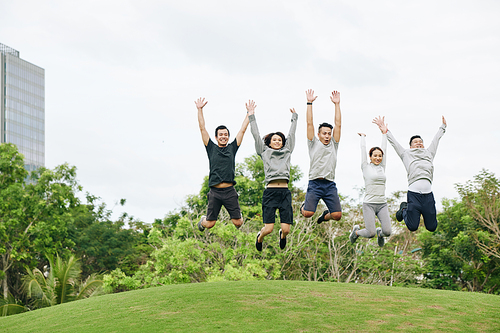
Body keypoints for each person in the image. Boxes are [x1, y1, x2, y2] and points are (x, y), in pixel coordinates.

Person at [374, 116, 447, 232]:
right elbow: (394, 143)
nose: (419, 143)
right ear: (411, 146)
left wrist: (443, 127)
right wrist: (385, 131)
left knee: (432, 227)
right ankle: (404, 209)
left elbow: (436, 140)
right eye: (415, 142)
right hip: (414, 195)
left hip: (428, 196)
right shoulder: (406, 154)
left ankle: (419, 212)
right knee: (412, 227)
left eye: (420, 142)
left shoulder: (429, 153)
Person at [247, 102, 298, 251]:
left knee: (287, 229)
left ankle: (283, 235)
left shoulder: (287, 150)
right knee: (268, 229)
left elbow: (292, 134)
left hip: (284, 193)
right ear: (269, 142)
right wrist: (251, 115)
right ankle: (260, 237)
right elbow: (255, 134)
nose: (277, 141)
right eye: (274, 140)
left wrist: (294, 117)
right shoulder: (264, 151)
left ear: (283, 143)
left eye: (279, 140)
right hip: (270, 192)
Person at [195, 97, 250, 231]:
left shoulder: (232, 147)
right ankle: (203, 220)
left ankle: (237, 213)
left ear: (228, 136)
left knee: (238, 223)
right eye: (220, 134)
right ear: (216, 137)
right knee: (209, 224)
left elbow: (242, 130)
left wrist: (249, 113)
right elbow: (202, 128)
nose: (223, 136)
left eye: (225, 134)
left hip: (230, 191)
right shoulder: (211, 147)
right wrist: (200, 109)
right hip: (215, 191)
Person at [300, 89, 342, 224]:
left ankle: (325, 216)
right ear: (319, 135)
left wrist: (337, 104)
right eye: (324, 133)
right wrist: (309, 103)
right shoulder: (313, 143)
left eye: (329, 133)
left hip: (329, 184)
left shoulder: (334, 144)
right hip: (315, 183)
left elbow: (338, 124)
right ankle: (303, 206)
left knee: (337, 215)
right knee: (307, 213)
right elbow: (309, 123)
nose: (327, 136)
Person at [350, 116, 391, 247]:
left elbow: (385, 147)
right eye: (375, 155)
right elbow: (363, 150)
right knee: (370, 232)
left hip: (382, 204)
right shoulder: (365, 167)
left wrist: (384, 133)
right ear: (370, 157)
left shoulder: (382, 167)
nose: (378, 158)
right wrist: (363, 138)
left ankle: (381, 234)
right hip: (369, 204)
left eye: (380, 156)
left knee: (387, 232)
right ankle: (356, 233)